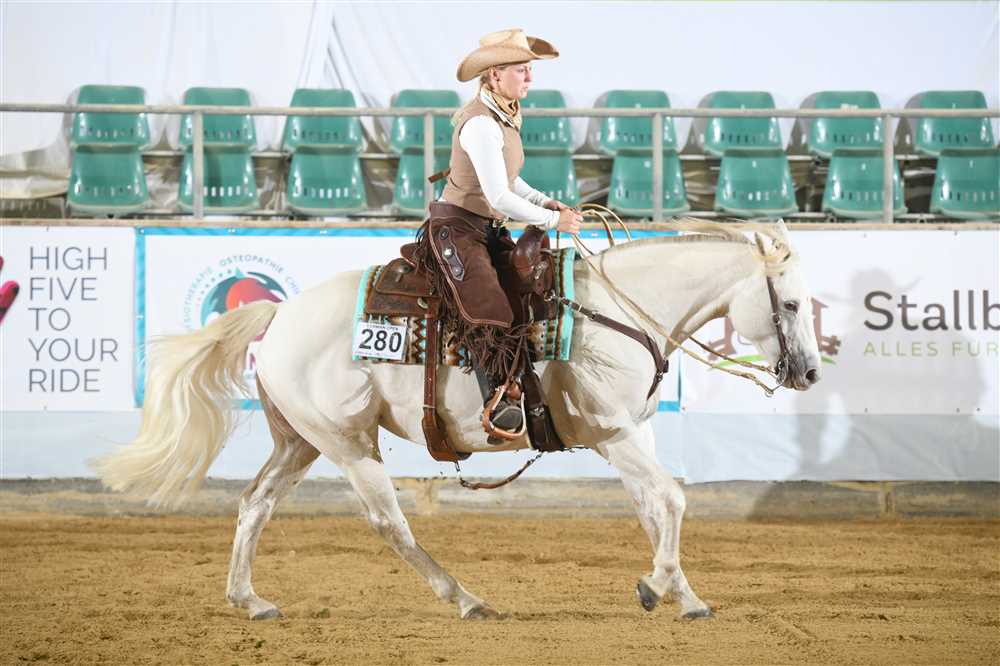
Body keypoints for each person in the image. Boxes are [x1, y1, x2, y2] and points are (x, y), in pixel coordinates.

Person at [415, 28, 583, 434]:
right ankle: (498, 398)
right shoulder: (480, 123)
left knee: (525, 291)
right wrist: (551, 221)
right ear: (495, 75)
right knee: (490, 305)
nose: (530, 78)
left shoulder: (501, 116)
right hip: (457, 229)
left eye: (528, 70)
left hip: (483, 228)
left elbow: (509, 178)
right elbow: (499, 196)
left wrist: (544, 201)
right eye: (522, 70)